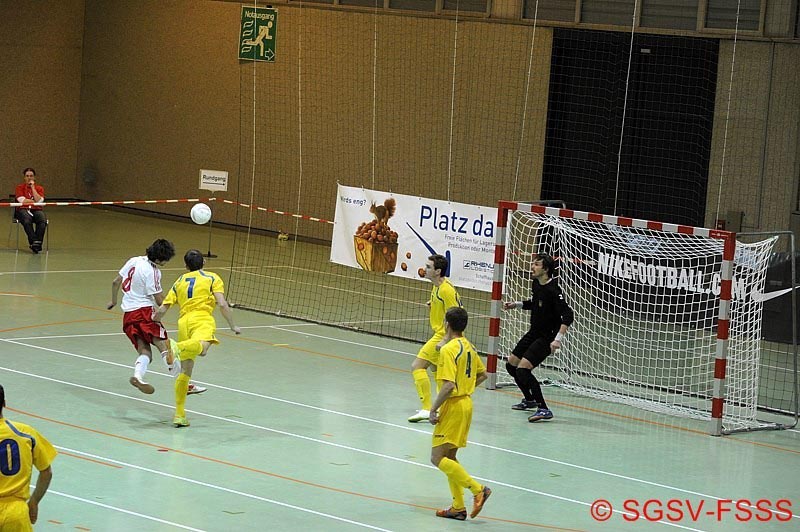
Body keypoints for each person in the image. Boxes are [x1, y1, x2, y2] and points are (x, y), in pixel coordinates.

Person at [107, 239, 207, 397]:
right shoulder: (153, 272)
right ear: (160, 259)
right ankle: (184, 385)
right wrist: (180, 302)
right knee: (166, 347)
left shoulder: (134, 260)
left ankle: (138, 376)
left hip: (128, 316)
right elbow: (160, 300)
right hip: (145, 313)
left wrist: (113, 301)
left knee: (144, 351)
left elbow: (115, 282)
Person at [153, 249, 241, 427]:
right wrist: (233, 325)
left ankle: (179, 416)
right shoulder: (212, 278)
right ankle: (177, 347)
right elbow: (222, 303)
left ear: (186, 266)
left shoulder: (180, 281)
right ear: (204, 263)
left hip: (183, 322)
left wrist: (154, 320)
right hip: (202, 319)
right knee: (203, 349)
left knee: (185, 371)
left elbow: (163, 308)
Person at [429, 307, 491, 521]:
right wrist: (467, 387)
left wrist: (433, 409)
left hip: (453, 406)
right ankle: (458, 507)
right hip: (466, 403)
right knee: (450, 458)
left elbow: (448, 386)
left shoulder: (448, 350)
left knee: (437, 458)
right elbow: (483, 374)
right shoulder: (469, 346)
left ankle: (478, 489)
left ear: (447, 324)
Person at [503, 253, 574, 422]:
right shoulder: (536, 283)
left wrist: (558, 339)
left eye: (536, 264)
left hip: (547, 337)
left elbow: (568, 315)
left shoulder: (553, 290)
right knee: (511, 365)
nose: (532, 267)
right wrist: (516, 304)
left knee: (523, 369)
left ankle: (543, 409)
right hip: (534, 332)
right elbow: (535, 303)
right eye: (532, 264)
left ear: (546, 269)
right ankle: (529, 400)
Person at [408, 254, 462, 423]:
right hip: (441, 333)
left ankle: (426, 409)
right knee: (437, 371)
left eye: (429, 267)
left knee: (417, 366)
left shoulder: (446, 290)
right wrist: (434, 305)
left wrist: (445, 339)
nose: (425, 269)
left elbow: (456, 315)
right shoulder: (437, 286)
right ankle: (442, 408)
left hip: (443, 335)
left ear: (438, 271)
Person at [0, 384, 57, 531]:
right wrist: (34, 501)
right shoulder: (26, 433)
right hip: (16, 515)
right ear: (4, 403)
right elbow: (46, 472)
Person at [13, 167, 47, 253]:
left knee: (42, 220)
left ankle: (37, 244)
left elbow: (39, 201)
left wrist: (33, 188)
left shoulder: (39, 188)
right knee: (27, 219)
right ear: (24, 178)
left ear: (34, 177)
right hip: (22, 209)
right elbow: (22, 201)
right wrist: (35, 201)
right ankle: (34, 242)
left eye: (31, 176)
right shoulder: (19, 188)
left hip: (36, 209)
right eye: (27, 176)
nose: (29, 178)